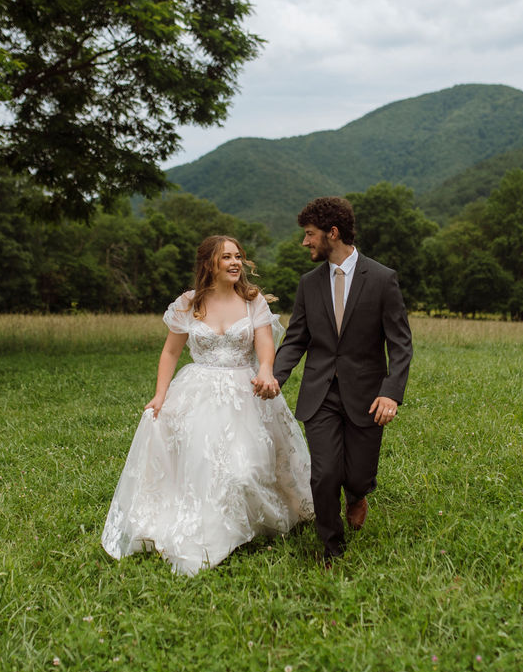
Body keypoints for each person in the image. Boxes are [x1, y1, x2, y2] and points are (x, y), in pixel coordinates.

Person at [101, 235, 314, 576]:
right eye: (226, 257)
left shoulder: (252, 300)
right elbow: (170, 352)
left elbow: (265, 347)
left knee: (245, 470)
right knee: (203, 467)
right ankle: (214, 532)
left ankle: (253, 523)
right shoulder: (189, 303)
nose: (234, 263)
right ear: (208, 264)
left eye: (238, 257)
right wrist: (160, 395)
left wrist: (264, 370)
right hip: (197, 393)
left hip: (245, 394)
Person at [255, 196, 413, 567]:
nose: (305, 242)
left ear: (333, 232)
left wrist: (390, 393)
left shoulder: (382, 279)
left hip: (367, 396)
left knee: (357, 474)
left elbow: (401, 344)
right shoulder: (308, 284)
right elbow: (296, 339)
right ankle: (332, 547)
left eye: (310, 234)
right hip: (320, 393)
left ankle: (358, 495)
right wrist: (275, 376)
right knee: (324, 474)